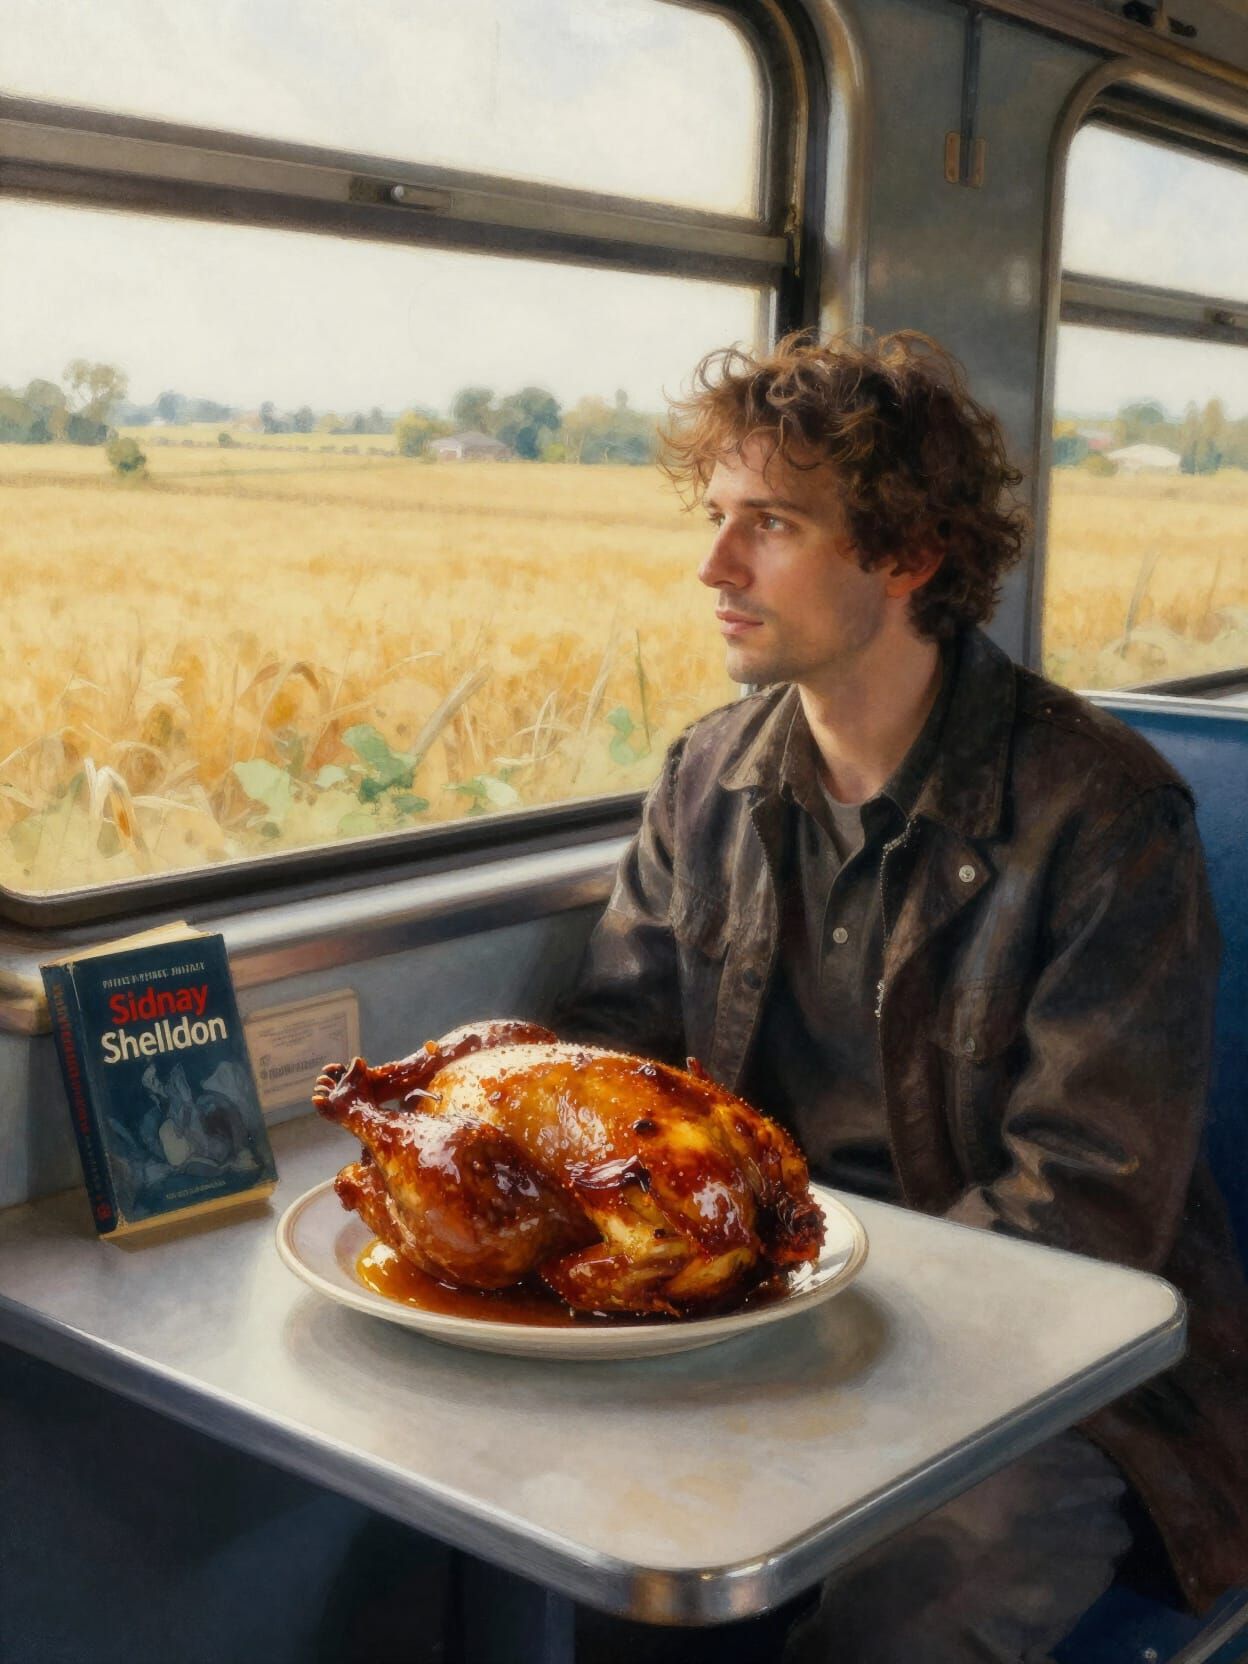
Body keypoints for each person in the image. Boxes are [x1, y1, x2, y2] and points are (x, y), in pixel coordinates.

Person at [561, 330, 1248, 1662]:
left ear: (907, 554)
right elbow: (617, 1052)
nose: (714, 568)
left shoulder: (1101, 814)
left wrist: (791, 1324)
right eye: (717, 519)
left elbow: (1084, 1205)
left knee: (940, 1570)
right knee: (594, 1543)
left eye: (770, 524)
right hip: (771, 1313)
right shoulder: (707, 777)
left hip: (1050, 1375)